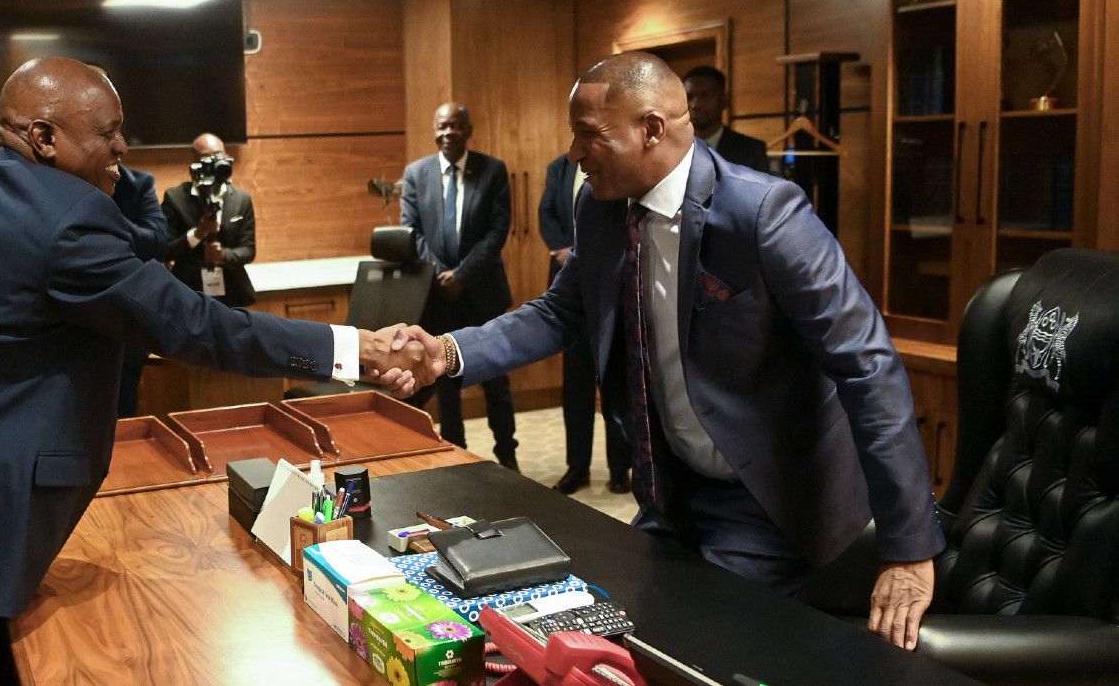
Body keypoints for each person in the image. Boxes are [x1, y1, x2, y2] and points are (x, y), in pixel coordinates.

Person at [0, 57, 429, 686]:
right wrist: (361, 350)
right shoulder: (64, 217)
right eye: (106, 133)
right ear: (44, 138)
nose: (121, 148)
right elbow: (196, 325)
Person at [394, 52, 944, 651]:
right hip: (670, 484)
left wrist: (909, 546)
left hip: (766, 498)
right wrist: (447, 352)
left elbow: (866, 364)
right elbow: (559, 312)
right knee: (606, 623)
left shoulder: (765, 213)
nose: (574, 154)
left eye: (588, 135)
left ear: (651, 129)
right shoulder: (599, 209)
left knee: (691, 645)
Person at [400, 102, 518, 469]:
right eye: (441, 126)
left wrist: (463, 274)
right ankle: (458, 456)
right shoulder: (416, 174)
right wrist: (440, 273)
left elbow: (498, 231)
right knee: (445, 380)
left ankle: (507, 455)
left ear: (468, 130)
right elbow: (411, 231)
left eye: (455, 126)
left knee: (495, 379)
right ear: (433, 130)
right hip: (438, 296)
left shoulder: (493, 170)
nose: (448, 132)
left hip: (481, 292)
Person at [539, 153, 630, 495]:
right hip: (569, 282)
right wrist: (563, 249)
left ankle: (621, 468)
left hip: (611, 287)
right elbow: (546, 213)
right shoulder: (558, 168)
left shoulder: (617, 168)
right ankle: (577, 466)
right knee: (575, 386)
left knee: (614, 381)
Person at [161, 133, 257, 308]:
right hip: (188, 294)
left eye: (219, 155)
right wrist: (197, 234)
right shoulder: (175, 198)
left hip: (232, 294)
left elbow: (248, 250)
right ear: (194, 163)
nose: (214, 162)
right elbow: (166, 251)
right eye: (207, 157)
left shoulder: (241, 199)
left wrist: (222, 255)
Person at [111, 162, 168, 417]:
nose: (119, 147)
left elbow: (157, 242)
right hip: (66, 325)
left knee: (123, 412)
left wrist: (102, 210)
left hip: (125, 320)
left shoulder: (137, 184)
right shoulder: (54, 183)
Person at [682, 65, 770, 173]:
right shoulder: (672, 148)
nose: (695, 105)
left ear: (724, 101)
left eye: (705, 96)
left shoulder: (752, 150)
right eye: (689, 97)